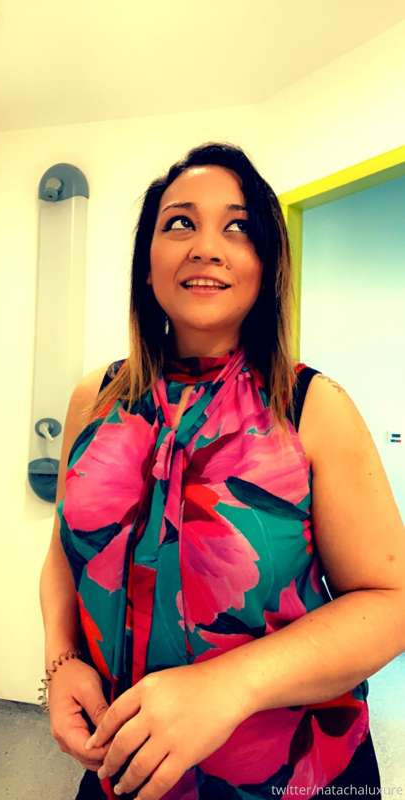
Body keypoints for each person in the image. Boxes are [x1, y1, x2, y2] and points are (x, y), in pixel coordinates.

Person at [39, 142, 405, 800]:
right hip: (127, 768)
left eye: (237, 227)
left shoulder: (312, 407)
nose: (206, 247)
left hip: (293, 777)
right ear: (147, 261)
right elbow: (64, 555)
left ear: (265, 263)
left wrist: (228, 685)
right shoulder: (94, 399)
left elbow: (391, 602)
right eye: (180, 222)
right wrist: (61, 660)